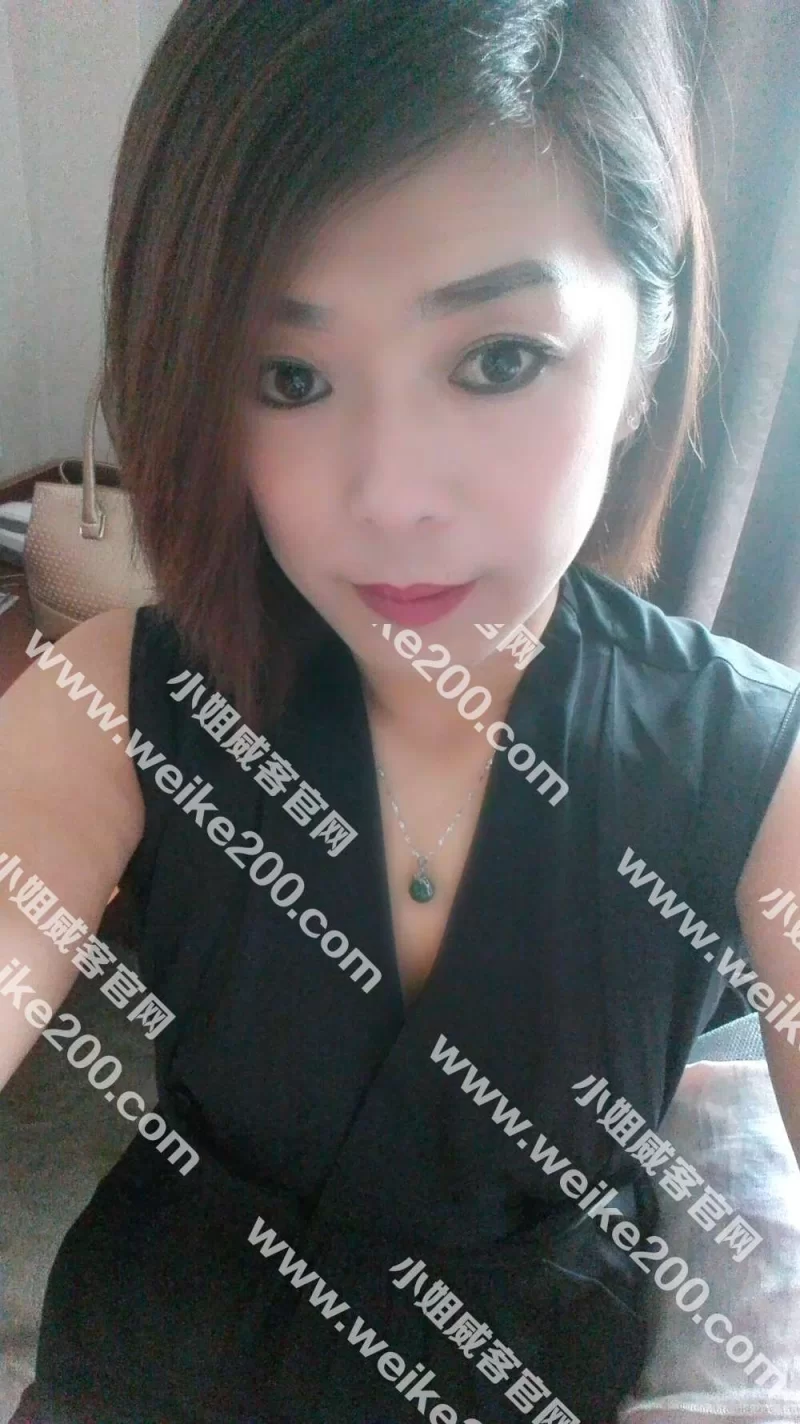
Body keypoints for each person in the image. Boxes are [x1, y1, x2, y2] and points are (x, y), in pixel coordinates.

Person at [2, 0, 799, 1420]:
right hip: (158, 1354)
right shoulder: (120, 699)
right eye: (290, 377)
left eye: (500, 359)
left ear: (646, 351)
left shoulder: (752, 755)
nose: (390, 497)